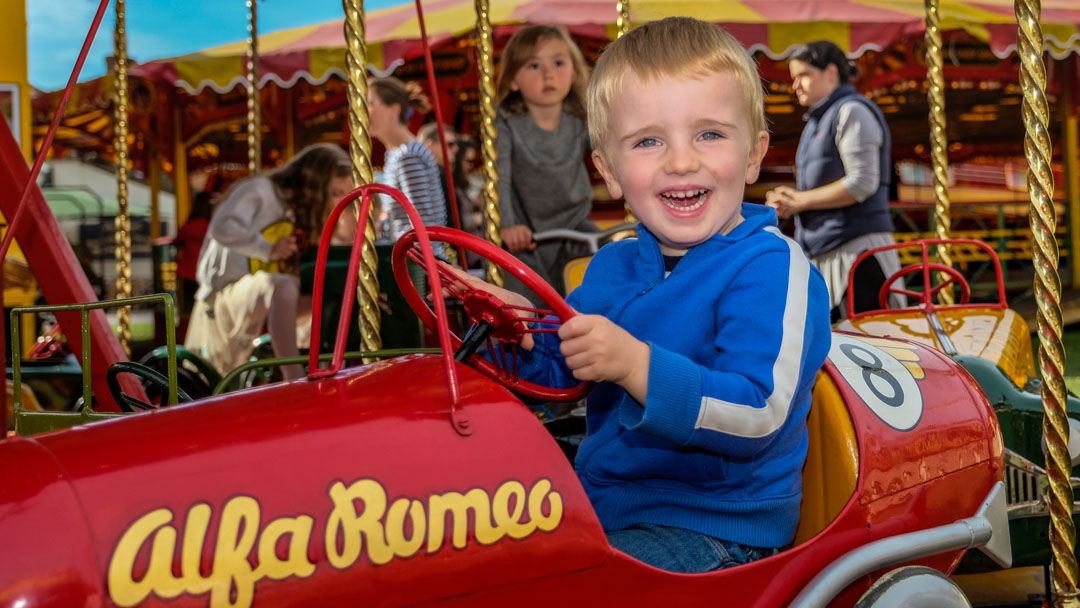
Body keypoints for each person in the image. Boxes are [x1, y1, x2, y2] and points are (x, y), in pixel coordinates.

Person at [450, 17, 831, 573]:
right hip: (604, 504)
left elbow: (758, 412)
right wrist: (509, 331)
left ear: (753, 155)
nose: (681, 161)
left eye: (709, 134)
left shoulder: (770, 268)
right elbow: (558, 376)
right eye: (649, 141)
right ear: (608, 170)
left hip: (716, 523)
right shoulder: (612, 267)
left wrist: (636, 366)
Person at [186, 144, 354, 380]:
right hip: (223, 295)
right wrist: (267, 248)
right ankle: (293, 375)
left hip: (259, 300)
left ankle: (327, 365)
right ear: (315, 184)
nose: (337, 202)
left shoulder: (298, 211)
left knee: (330, 293)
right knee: (281, 286)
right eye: (334, 193)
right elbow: (221, 227)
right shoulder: (260, 190)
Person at [765, 40, 902, 321]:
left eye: (803, 75)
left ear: (830, 72)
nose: (796, 86)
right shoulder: (819, 120)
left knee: (871, 345)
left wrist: (798, 201)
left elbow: (863, 182)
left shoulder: (851, 111)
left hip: (857, 251)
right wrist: (793, 198)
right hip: (830, 246)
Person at [495, 24, 597, 295]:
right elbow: (499, 177)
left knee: (608, 259)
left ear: (574, 72)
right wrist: (506, 224)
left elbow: (608, 152)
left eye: (558, 62)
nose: (548, 74)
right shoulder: (507, 121)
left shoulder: (580, 117)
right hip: (524, 233)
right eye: (533, 66)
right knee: (526, 302)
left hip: (574, 222)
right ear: (513, 81)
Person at [369, 77, 447, 257]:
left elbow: (420, 221)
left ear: (393, 110)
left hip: (418, 260)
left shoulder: (408, 155)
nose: (364, 111)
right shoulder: (396, 154)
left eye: (371, 103)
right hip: (412, 255)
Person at [172, 191, 213, 315]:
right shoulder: (211, 227)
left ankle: (187, 332)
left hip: (187, 273)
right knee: (206, 307)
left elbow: (176, 241)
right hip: (207, 273)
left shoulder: (188, 227)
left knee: (188, 309)